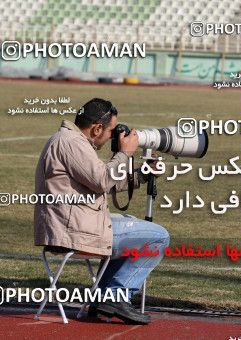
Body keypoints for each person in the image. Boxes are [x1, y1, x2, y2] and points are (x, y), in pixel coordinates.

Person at [34, 98, 169, 325]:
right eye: (110, 131)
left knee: (133, 226)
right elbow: (103, 179)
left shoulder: (71, 141)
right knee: (158, 236)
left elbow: (102, 180)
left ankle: (103, 298)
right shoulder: (70, 142)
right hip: (73, 232)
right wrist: (124, 153)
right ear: (97, 128)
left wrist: (142, 175)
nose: (111, 137)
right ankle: (115, 296)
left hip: (73, 226)